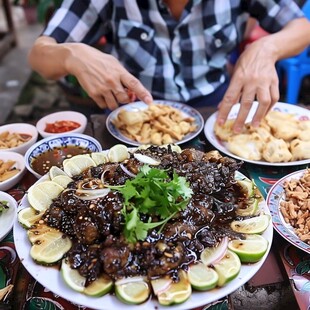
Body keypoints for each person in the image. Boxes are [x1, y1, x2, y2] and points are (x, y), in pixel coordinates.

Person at [28, 0, 310, 132]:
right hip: (130, 120)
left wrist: (266, 48)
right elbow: (40, 56)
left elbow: (301, 26)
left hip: (217, 114)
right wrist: (71, 54)